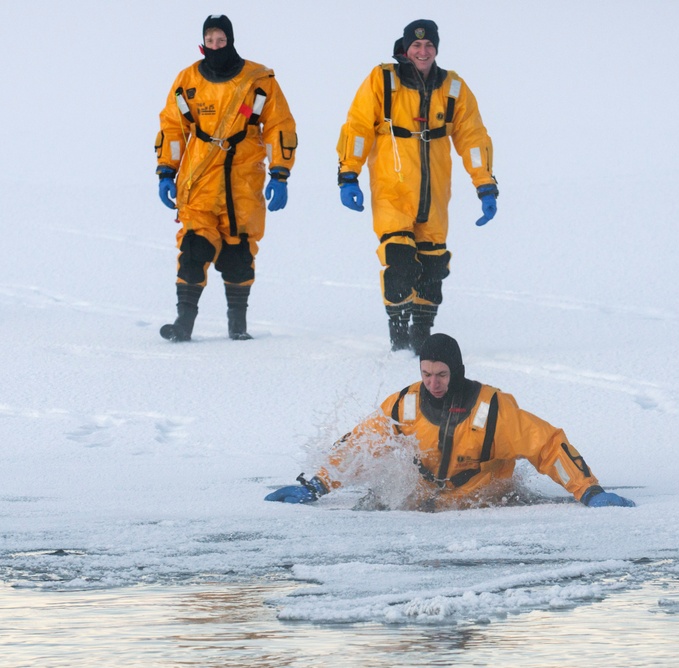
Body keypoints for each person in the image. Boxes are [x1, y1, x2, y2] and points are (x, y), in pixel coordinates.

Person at [265, 334, 635, 510]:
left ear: (456, 371)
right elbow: (360, 445)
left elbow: (548, 445)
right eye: (426, 374)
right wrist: (316, 485)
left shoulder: (492, 411)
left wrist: (588, 490)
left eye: (441, 374)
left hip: (483, 505)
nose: (432, 383)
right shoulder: (404, 406)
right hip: (425, 502)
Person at [336, 20, 498, 353]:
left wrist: (485, 184)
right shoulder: (384, 80)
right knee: (400, 261)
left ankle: (421, 334)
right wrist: (348, 174)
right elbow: (358, 127)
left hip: (435, 195)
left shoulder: (452, 87)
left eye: (428, 46)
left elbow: (473, 137)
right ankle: (398, 337)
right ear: (405, 48)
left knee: (434, 266)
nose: (422, 52)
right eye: (416, 46)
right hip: (392, 190)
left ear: (436, 49)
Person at [155, 15, 297, 342]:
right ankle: (183, 324)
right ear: (202, 44)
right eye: (210, 40)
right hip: (198, 181)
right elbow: (173, 128)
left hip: (242, 183)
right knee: (193, 249)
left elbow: (279, 126)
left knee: (239, 254)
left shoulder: (259, 80)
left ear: (231, 41)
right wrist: (166, 170)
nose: (216, 46)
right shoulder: (187, 80)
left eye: (221, 40)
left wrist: (280, 172)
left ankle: (238, 325)